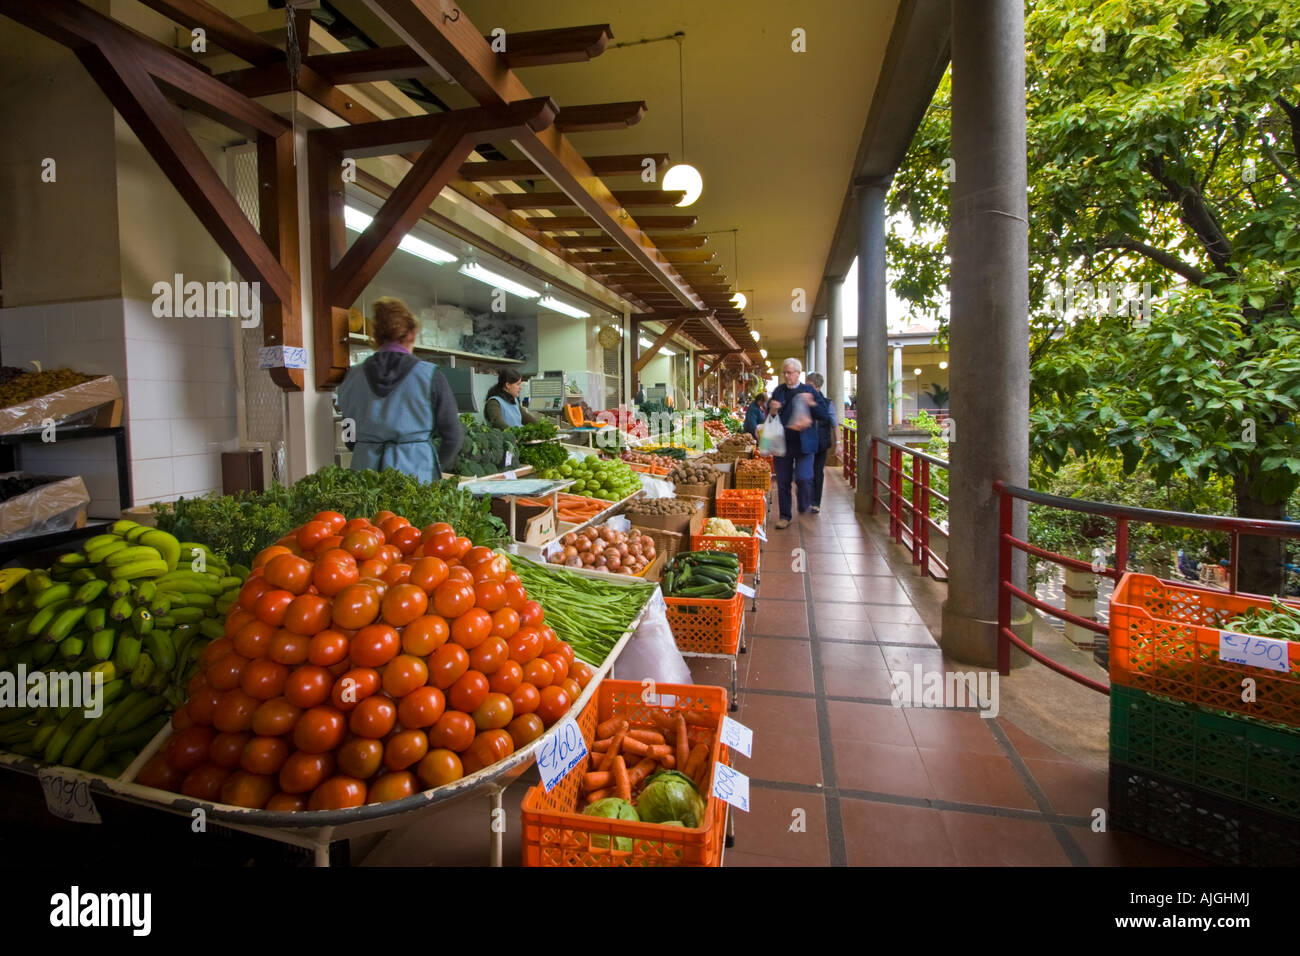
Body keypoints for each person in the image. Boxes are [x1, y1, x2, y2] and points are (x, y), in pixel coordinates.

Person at [336, 297, 463, 482]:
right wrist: (430, 468)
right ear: (411, 334)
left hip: (365, 479)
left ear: (376, 337)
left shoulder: (351, 378)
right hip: (414, 478)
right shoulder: (430, 376)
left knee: (367, 513)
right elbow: (453, 437)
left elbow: (349, 437)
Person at [767, 358, 830, 528]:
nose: (786, 376)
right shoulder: (778, 391)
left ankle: (803, 505)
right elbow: (770, 416)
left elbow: (824, 415)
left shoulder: (808, 390)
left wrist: (811, 403)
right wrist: (772, 410)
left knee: (804, 478)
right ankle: (785, 516)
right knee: (783, 482)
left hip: (805, 444)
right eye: (784, 373)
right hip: (783, 444)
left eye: (790, 373)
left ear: (798, 373)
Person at [805, 372, 839, 514]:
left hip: (821, 443)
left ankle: (815, 502)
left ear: (818, 388)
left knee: (817, 472)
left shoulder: (827, 404)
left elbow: (835, 424)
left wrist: (839, 443)